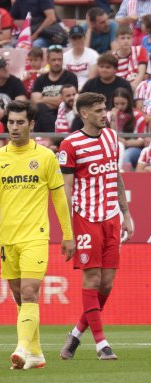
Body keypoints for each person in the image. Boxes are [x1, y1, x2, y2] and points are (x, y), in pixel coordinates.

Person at [0, 100, 75, 370]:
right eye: (10, 123)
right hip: (7, 238)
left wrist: (68, 233)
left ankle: (22, 348)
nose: (13, 128)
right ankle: (36, 353)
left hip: (36, 236)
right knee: (19, 297)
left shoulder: (46, 157)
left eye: (19, 122)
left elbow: (59, 198)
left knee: (29, 292)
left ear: (31, 124)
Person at [58, 92, 133, 361]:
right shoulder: (70, 145)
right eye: (99, 110)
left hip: (111, 217)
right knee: (92, 279)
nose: (105, 114)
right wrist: (68, 232)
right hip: (85, 217)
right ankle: (102, 344)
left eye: (105, 109)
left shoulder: (112, 137)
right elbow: (65, 191)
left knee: (107, 283)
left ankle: (76, 333)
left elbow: (116, 176)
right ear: (84, 114)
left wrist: (126, 212)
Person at [31, 45, 78, 133]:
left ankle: (52, 137)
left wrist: (43, 98)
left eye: (59, 59)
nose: (57, 63)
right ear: (48, 60)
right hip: (43, 116)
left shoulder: (71, 77)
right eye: (54, 60)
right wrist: (57, 100)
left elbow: (67, 100)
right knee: (40, 108)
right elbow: (35, 101)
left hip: (64, 116)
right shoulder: (40, 79)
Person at [111, 87, 146, 169]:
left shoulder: (138, 115)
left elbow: (141, 141)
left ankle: (126, 180)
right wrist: (113, 119)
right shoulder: (109, 114)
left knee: (125, 155)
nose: (119, 107)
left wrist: (125, 143)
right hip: (115, 146)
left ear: (129, 102)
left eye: (123, 104)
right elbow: (110, 135)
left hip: (135, 149)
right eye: (116, 104)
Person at [112, 25, 147, 92]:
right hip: (119, 91)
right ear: (116, 40)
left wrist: (132, 87)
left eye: (129, 38)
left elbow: (141, 73)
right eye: (122, 38)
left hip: (138, 87)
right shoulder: (112, 57)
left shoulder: (140, 50)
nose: (126, 41)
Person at [63, 26, 98, 91]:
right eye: (74, 38)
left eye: (79, 37)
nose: (77, 40)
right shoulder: (65, 56)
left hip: (88, 90)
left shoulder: (93, 54)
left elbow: (91, 80)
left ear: (84, 38)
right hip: (69, 91)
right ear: (70, 40)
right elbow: (63, 79)